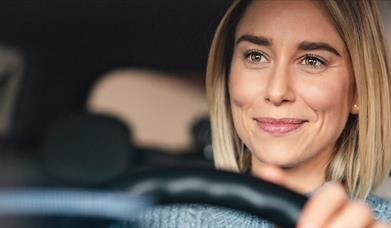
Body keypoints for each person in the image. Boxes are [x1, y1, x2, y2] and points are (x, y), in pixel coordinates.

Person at [113, 0, 391, 227]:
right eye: (256, 56)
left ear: (359, 93)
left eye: (312, 60)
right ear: (228, 76)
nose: (277, 90)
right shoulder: (148, 219)